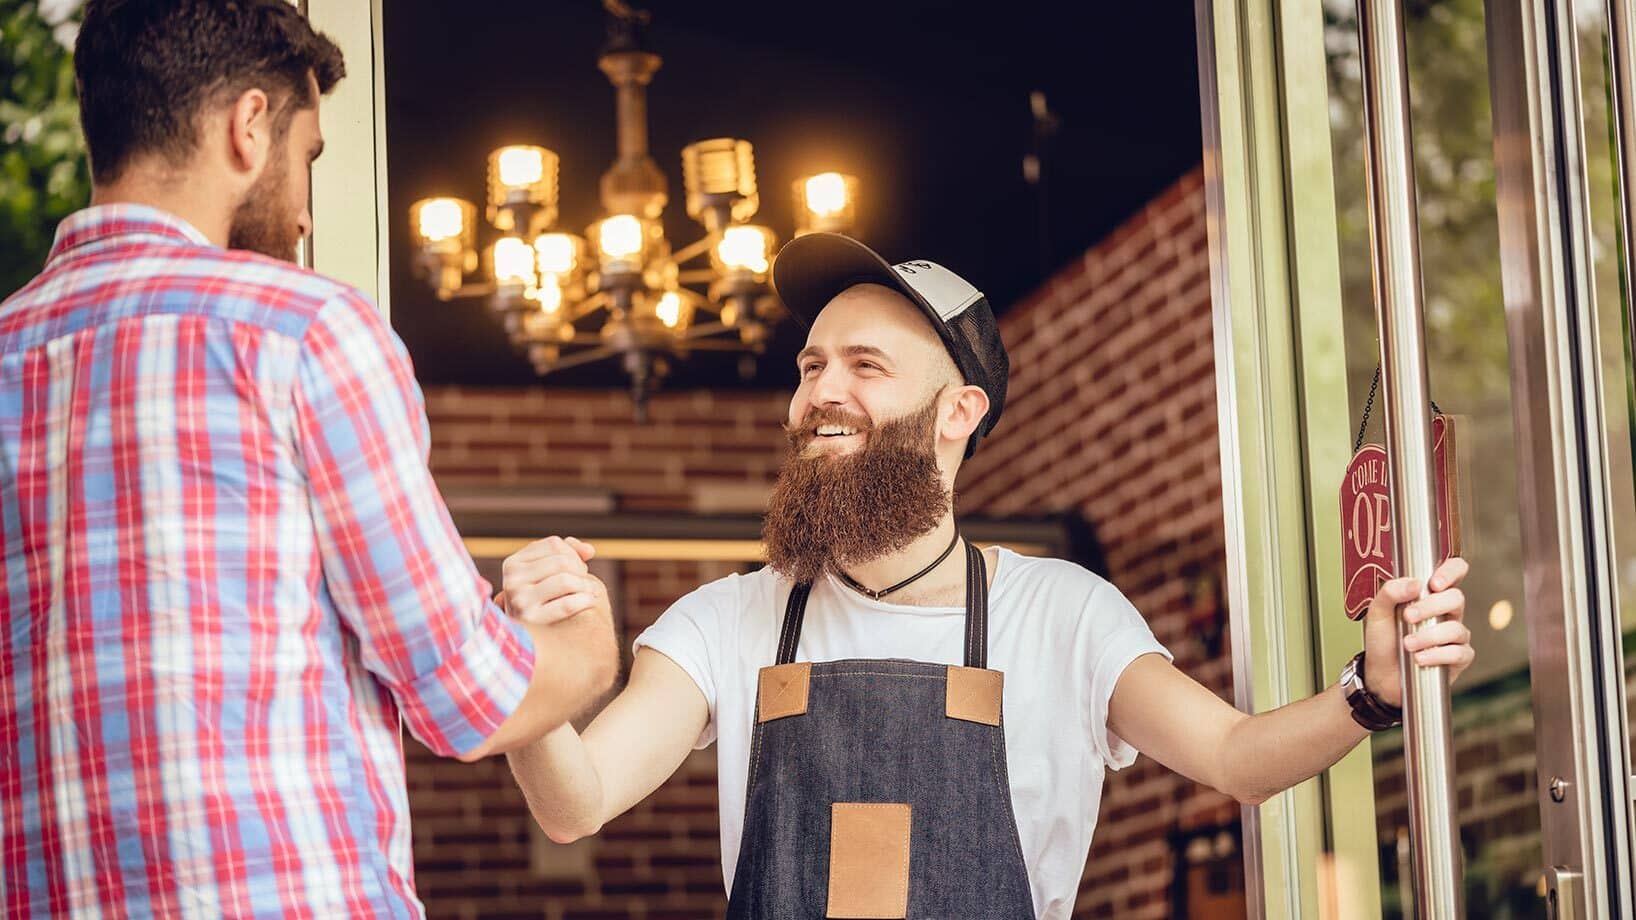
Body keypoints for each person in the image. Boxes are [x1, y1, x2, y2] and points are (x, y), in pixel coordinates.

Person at [498, 232, 1474, 919]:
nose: (818, 393)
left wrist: (1372, 691)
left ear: (958, 411)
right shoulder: (727, 620)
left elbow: (1234, 756)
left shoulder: (1061, 612)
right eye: (808, 366)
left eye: (864, 366)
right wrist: (534, 679)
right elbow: (574, 801)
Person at [0, 2, 616, 916]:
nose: (301, 215)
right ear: (250, 127)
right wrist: (587, 645)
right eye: (309, 159)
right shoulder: (300, 330)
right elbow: (468, 697)